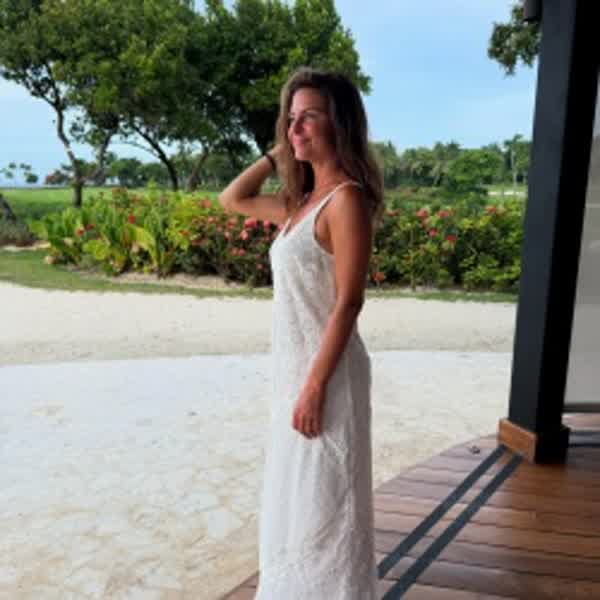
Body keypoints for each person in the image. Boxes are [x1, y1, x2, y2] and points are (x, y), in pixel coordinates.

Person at [218, 66, 384, 599]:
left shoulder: (346, 200)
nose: (296, 129)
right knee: (297, 502)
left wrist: (315, 386)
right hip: (294, 372)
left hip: (326, 375)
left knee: (328, 505)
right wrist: (279, 152)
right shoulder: (299, 205)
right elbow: (232, 198)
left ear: (340, 123)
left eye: (309, 117)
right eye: (291, 119)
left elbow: (349, 301)